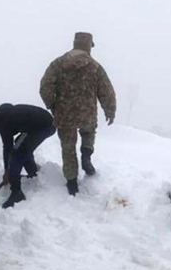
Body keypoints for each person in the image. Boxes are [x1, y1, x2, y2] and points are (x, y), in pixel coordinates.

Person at [39, 32, 116, 196]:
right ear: (89, 46)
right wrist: (110, 110)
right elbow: (106, 91)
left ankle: (72, 182)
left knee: (68, 147)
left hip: (64, 114)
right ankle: (86, 156)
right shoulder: (95, 66)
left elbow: (45, 86)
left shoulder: (58, 63)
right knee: (88, 133)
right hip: (87, 113)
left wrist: (52, 105)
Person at [0, 104, 56, 208]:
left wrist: (7, 171)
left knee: (17, 153)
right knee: (21, 145)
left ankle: (17, 192)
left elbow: (8, 149)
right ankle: (32, 172)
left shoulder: (4, 122)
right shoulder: (4, 113)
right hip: (43, 124)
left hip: (44, 127)